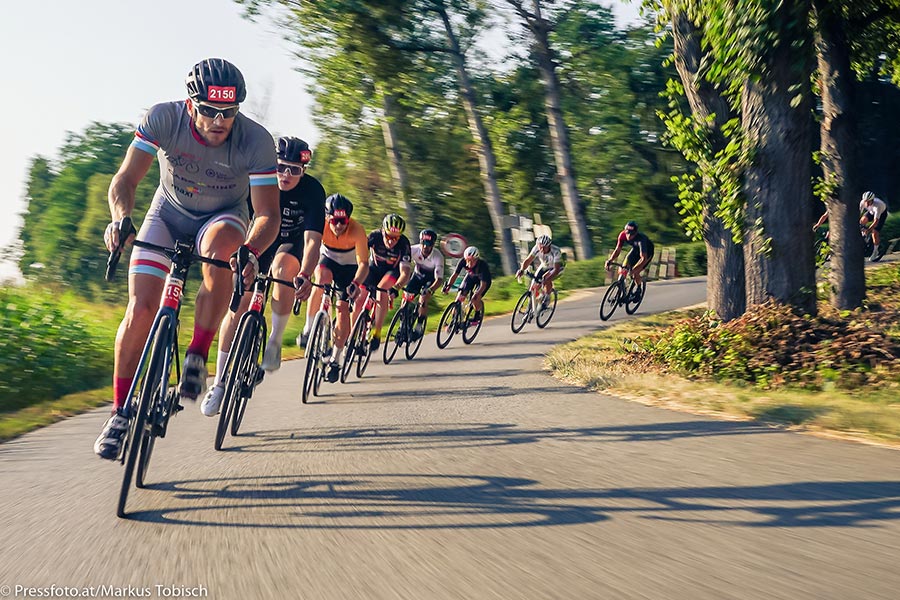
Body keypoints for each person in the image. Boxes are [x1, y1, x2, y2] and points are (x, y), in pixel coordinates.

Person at [95, 58, 280, 459]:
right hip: (167, 212)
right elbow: (125, 180)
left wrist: (250, 251)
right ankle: (119, 412)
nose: (219, 120)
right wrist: (120, 219)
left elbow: (267, 214)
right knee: (141, 309)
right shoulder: (163, 119)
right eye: (209, 111)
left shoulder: (256, 141)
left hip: (223, 217)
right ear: (190, 103)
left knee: (222, 254)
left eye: (228, 113)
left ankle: (197, 352)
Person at [199, 136, 325, 416]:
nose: (286, 175)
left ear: (304, 171)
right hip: (259, 240)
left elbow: (313, 240)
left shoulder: (313, 191)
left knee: (282, 270)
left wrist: (306, 272)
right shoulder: (257, 179)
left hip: (290, 243)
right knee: (238, 303)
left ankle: (275, 342)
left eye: (294, 169)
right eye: (281, 167)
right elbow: (238, 218)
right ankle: (219, 383)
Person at [305, 194, 369, 383]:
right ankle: (309, 330)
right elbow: (310, 248)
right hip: (328, 259)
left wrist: (356, 283)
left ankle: (336, 358)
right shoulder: (320, 224)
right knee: (321, 279)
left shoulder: (357, 230)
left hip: (349, 268)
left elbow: (364, 264)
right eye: (335, 220)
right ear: (327, 218)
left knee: (342, 309)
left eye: (343, 221)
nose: (339, 225)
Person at [355, 213, 413, 352]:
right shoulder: (374, 236)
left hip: (392, 273)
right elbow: (358, 252)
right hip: (373, 269)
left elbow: (405, 272)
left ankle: (377, 333)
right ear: (383, 231)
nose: (392, 241)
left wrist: (397, 287)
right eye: (388, 236)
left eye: (395, 238)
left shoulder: (404, 243)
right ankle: (354, 335)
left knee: (382, 290)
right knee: (359, 298)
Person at [406, 229, 445, 340]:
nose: (425, 247)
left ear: (433, 245)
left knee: (423, 299)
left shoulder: (438, 257)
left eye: (428, 244)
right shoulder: (413, 249)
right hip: (417, 276)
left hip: (431, 280)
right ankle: (404, 322)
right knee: (406, 298)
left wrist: (431, 290)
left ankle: (419, 326)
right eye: (423, 243)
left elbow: (439, 280)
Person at [442, 246, 492, 325]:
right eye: (467, 260)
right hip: (471, 277)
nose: (469, 263)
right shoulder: (462, 261)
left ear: (477, 259)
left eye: (472, 261)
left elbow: (483, 285)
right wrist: (448, 286)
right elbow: (455, 274)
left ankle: (477, 314)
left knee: (475, 298)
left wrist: (477, 294)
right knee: (459, 297)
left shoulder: (482, 265)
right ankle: (454, 320)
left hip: (483, 282)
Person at [605, 221, 654, 299]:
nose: (629, 236)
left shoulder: (641, 239)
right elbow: (617, 250)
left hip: (647, 252)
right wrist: (610, 260)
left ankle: (638, 289)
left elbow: (643, 259)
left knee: (635, 273)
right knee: (623, 268)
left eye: (631, 234)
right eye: (627, 233)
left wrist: (634, 271)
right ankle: (620, 290)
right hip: (635, 250)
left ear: (635, 233)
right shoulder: (622, 235)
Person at [515, 234, 565, 306]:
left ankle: (547, 297)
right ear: (538, 245)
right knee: (534, 285)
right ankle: (531, 306)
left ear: (549, 246)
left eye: (545, 248)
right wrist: (521, 270)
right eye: (540, 247)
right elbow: (528, 260)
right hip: (545, 265)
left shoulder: (556, 251)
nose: (542, 250)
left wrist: (545, 280)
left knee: (546, 278)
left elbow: (556, 270)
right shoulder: (536, 248)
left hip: (557, 268)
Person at [860, 191, 889, 261]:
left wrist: (868, 230)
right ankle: (863, 236)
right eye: (865, 201)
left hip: (881, 214)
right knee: (862, 221)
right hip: (871, 212)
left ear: (872, 200)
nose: (866, 203)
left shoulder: (878, 205)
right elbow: (857, 214)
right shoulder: (862, 202)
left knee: (874, 233)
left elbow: (876, 221)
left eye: (868, 202)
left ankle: (876, 251)